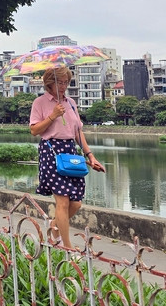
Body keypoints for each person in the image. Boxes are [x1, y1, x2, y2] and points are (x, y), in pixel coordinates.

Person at [28, 66, 105, 248]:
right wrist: (53, 116)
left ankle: (54, 225)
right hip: (51, 151)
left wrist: (90, 156)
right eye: (59, 82)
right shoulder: (40, 102)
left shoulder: (70, 103)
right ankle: (67, 247)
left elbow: (78, 132)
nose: (63, 86)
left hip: (71, 151)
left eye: (66, 82)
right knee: (62, 201)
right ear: (49, 83)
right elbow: (34, 130)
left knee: (76, 203)